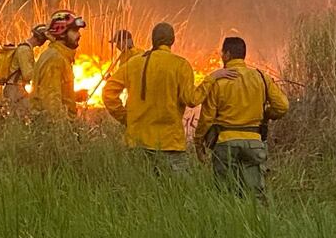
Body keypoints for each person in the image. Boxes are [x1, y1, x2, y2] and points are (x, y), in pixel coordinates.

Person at [102, 22, 238, 173]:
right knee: (176, 190)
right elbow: (192, 100)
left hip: (137, 141)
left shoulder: (133, 63)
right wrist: (211, 79)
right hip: (170, 144)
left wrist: (125, 118)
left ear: (152, 40)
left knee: (139, 191)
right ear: (172, 40)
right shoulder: (180, 65)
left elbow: (108, 92)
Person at [194, 37, 289, 200]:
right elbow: (283, 106)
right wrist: (266, 114)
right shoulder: (260, 77)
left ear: (227, 55)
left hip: (225, 143)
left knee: (225, 197)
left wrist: (198, 143)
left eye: (222, 53)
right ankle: (257, 223)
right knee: (255, 197)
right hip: (254, 143)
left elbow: (207, 118)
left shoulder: (219, 81)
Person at [31, 10, 87, 119]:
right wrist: (62, 131)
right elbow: (52, 103)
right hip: (54, 129)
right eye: (74, 31)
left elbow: (59, 93)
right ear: (61, 33)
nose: (79, 34)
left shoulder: (61, 57)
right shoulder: (54, 60)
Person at [1, 24, 49, 110]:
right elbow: (27, 75)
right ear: (41, 39)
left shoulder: (26, 48)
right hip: (15, 89)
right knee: (22, 116)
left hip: (17, 88)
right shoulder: (24, 50)